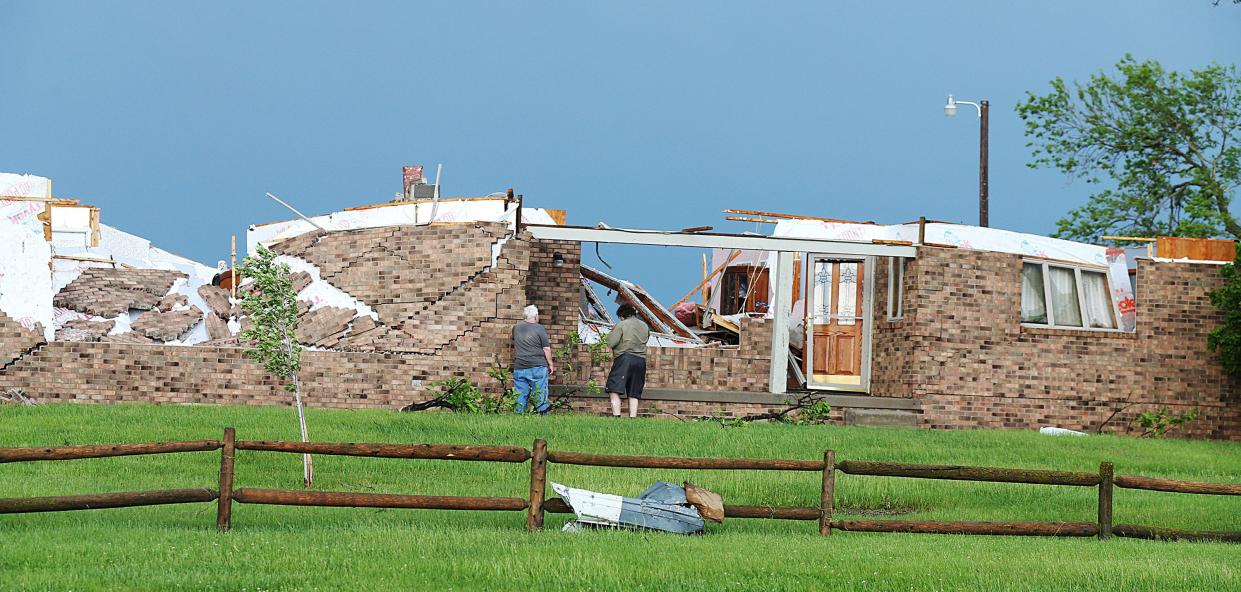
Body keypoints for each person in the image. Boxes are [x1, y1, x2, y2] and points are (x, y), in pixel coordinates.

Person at [604, 303, 650, 418]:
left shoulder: (622, 325)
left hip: (624, 359)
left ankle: (616, 417)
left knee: (613, 388)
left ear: (622, 316)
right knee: (634, 392)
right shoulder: (644, 326)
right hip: (641, 360)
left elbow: (610, 343)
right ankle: (632, 418)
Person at [512, 305, 554, 414]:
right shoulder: (539, 328)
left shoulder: (516, 328)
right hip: (537, 367)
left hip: (519, 366)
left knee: (520, 395)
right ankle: (543, 417)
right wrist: (550, 364)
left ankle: (518, 418)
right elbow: (546, 348)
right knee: (540, 394)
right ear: (535, 316)